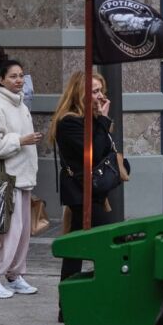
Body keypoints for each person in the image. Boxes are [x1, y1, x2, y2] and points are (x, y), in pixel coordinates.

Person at [0, 60, 43, 299]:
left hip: (21, 177)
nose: (19, 80)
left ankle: (14, 275)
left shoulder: (20, 104)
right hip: (6, 179)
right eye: (13, 76)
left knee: (23, 232)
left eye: (21, 75)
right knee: (9, 233)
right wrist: (20, 141)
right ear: (1, 79)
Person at [51, 70, 124, 283]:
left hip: (92, 191)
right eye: (94, 91)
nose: (100, 96)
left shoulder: (90, 119)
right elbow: (91, 153)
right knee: (110, 240)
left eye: (101, 90)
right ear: (80, 94)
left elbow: (104, 151)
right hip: (80, 192)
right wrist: (102, 120)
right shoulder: (69, 122)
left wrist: (100, 121)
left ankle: (67, 306)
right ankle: (99, 292)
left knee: (75, 247)